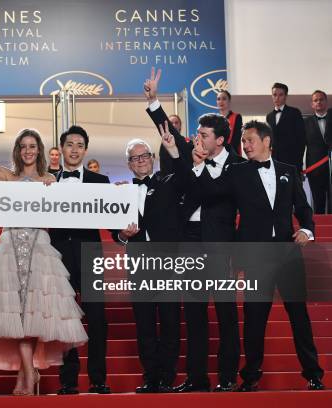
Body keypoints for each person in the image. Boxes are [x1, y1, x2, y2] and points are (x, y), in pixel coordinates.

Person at [0, 95, 88, 396]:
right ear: (17, 151)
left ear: (39, 151)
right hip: (9, 247)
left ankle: (25, 376)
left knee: (31, 313)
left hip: (40, 249)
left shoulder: (50, 179)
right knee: (16, 312)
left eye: (33, 146)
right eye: (23, 146)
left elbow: (81, 201)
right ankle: (29, 373)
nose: (28, 150)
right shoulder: (8, 177)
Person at [194, 120, 325, 392]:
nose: (245, 145)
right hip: (254, 256)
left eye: (250, 140)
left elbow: (303, 208)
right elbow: (212, 192)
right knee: (254, 319)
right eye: (243, 141)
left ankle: (313, 374)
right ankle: (251, 376)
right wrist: (202, 164)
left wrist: (307, 231)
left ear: (267, 141)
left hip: (288, 253)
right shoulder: (237, 171)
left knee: (298, 316)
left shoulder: (289, 171)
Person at [144, 68, 243, 392]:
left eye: (202, 135)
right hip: (188, 240)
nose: (196, 138)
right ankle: (196, 377)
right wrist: (155, 101)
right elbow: (169, 135)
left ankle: (228, 376)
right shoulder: (194, 155)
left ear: (219, 139)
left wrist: (194, 164)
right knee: (195, 312)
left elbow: (211, 193)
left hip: (218, 245)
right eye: (197, 134)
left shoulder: (235, 167)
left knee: (226, 313)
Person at [115, 123, 190, 394]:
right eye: (135, 158)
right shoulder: (120, 191)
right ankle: (150, 377)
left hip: (168, 263)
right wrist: (123, 235)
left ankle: (167, 378)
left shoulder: (169, 182)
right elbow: (116, 234)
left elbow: (187, 176)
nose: (141, 161)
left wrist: (174, 148)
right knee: (144, 323)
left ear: (153, 159)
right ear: (129, 164)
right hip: (138, 263)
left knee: (170, 321)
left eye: (144, 155)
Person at [50, 126, 111, 395]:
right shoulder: (47, 180)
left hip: (90, 255)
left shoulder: (102, 181)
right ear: (61, 149)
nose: (74, 149)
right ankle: (68, 380)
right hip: (58, 254)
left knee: (97, 318)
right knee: (64, 320)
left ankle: (98, 379)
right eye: (69, 144)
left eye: (79, 145)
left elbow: (113, 219)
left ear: (85, 150)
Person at [266, 82, 306, 171]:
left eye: (280, 95)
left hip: (292, 161)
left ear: (286, 96)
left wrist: (299, 162)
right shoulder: (269, 116)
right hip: (275, 161)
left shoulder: (295, 112)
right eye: (274, 95)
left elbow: (301, 139)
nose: (277, 98)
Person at [304, 90, 331, 214]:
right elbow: (300, 146)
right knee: (318, 201)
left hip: (331, 166)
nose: (318, 102)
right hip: (315, 168)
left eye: (321, 99)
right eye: (316, 100)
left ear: (326, 102)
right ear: (312, 104)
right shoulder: (305, 123)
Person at [216, 90, 244, 156]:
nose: (221, 101)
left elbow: (236, 139)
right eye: (218, 99)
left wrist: (224, 151)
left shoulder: (237, 117)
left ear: (229, 101)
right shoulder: (214, 119)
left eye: (224, 99)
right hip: (217, 154)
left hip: (232, 154)